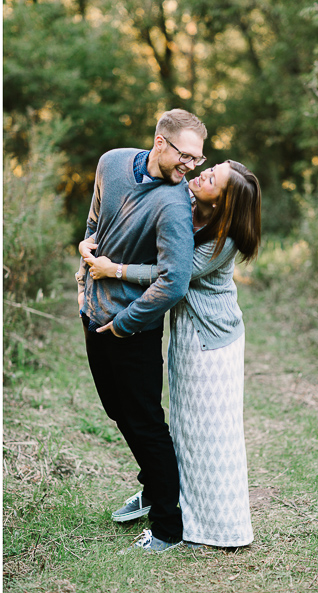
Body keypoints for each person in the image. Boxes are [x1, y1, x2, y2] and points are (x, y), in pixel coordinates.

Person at [80, 160, 262, 549]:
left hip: (212, 338)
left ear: (224, 203)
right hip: (187, 330)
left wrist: (116, 270)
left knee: (209, 434)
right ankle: (161, 492)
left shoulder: (223, 237)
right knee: (182, 427)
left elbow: (172, 273)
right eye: (210, 168)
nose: (204, 172)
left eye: (213, 178)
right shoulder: (187, 204)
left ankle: (217, 526)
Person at [76, 108, 207, 553]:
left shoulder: (174, 205)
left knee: (146, 421)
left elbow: (175, 281)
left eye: (198, 160)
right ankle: (153, 489)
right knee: (118, 411)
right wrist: (86, 244)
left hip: (132, 329)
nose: (190, 168)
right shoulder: (111, 162)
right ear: (159, 142)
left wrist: (123, 326)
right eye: (185, 157)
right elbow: (96, 219)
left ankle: (169, 526)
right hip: (91, 314)